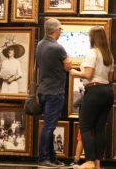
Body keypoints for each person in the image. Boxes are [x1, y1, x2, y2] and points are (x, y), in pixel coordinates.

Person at [70, 26, 114, 169]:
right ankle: (97, 163)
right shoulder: (109, 55)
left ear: (92, 38)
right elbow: (111, 77)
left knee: (86, 127)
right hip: (108, 91)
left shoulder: (92, 53)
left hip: (94, 91)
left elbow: (88, 75)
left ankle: (89, 161)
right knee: (100, 128)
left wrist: (73, 72)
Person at [36, 18, 72, 167]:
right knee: (49, 126)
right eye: (61, 29)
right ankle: (44, 158)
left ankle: (51, 157)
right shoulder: (58, 48)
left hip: (43, 91)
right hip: (55, 92)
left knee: (48, 126)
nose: (61, 32)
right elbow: (68, 66)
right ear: (55, 30)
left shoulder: (40, 45)